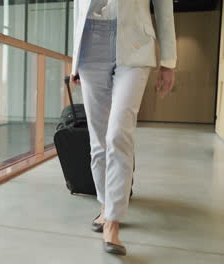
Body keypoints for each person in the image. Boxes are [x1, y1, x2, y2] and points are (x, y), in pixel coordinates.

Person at [70, 0, 177, 256]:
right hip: (90, 46)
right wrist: (75, 60)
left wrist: (168, 61)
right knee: (98, 140)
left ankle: (113, 222)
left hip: (136, 44)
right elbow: (78, 7)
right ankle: (106, 206)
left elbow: (164, 8)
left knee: (119, 134)